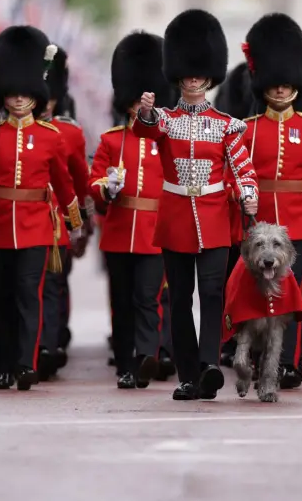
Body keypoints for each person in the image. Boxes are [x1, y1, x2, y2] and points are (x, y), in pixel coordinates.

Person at [133, 9, 259, 401]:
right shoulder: (166, 120)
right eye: (188, 73)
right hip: (176, 219)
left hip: (214, 217)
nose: (193, 79)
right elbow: (145, 129)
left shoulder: (225, 123)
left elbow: (241, 164)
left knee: (212, 294)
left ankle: (208, 366)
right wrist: (148, 111)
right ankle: (187, 375)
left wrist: (251, 193)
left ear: (208, 76)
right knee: (180, 297)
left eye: (199, 74)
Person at [0, 25, 82, 391]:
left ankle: (26, 364)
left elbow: (62, 183)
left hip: (35, 229)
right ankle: (3, 366)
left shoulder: (51, 138)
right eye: (11, 94)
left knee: (29, 297)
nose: (18, 100)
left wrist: (74, 223)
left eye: (24, 94)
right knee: (0, 301)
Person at [241, 13, 302, 389]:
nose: (280, 90)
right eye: (274, 84)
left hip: (298, 224)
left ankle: (290, 363)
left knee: (293, 295)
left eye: (286, 84)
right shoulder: (248, 129)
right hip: (259, 226)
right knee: (257, 294)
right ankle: (256, 356)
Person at [90, 30, 171, 389]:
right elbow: (94, 183)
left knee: (147, 299)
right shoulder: (111, 140)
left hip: (155, 233)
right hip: (120, 230)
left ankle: (146, 357)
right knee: (121, 304)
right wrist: (105, 189)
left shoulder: (166, 139)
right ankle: (125, 364)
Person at [37, 46, 91, 379]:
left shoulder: (69, 132)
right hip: (20, 220)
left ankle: (49, 343)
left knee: (54, 285)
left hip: (57, 221)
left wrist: (82, 223)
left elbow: (80, 183)